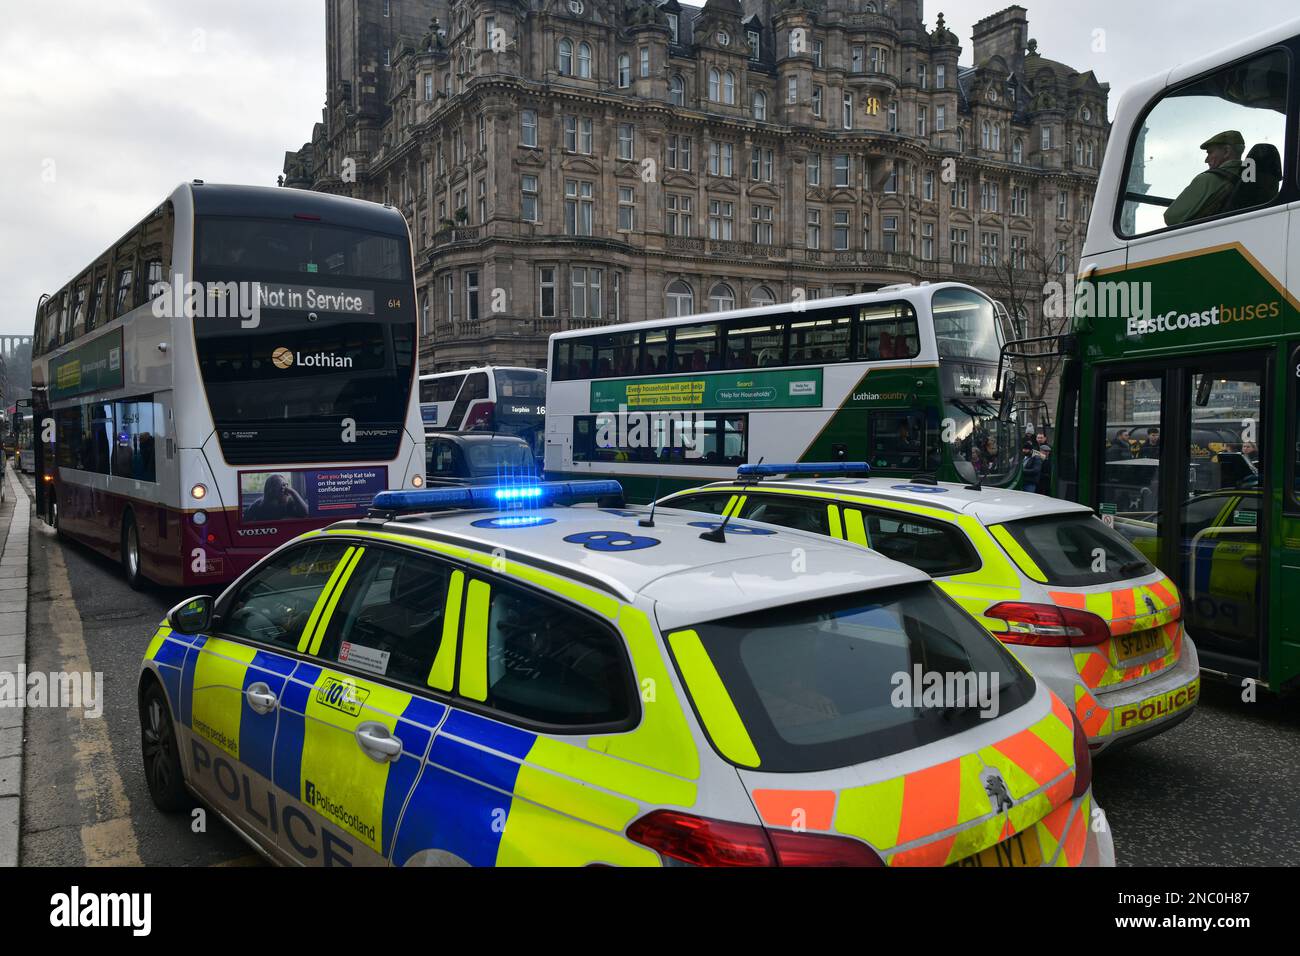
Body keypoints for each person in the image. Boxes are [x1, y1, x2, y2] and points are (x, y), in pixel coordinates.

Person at [1164, 130, 1247, 226]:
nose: (1206, 160)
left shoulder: (1208, 179)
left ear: (1226, 151)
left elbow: (1172, 217)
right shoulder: (1249, 178)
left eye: (1210, 153)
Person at [243, 473, 309, 521]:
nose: (285, 489)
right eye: (281, 486)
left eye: (286, 485)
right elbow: (245, 518)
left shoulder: (289, 503)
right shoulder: (258, 505)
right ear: (271, 490)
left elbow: (305, 513)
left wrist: (293, 492)